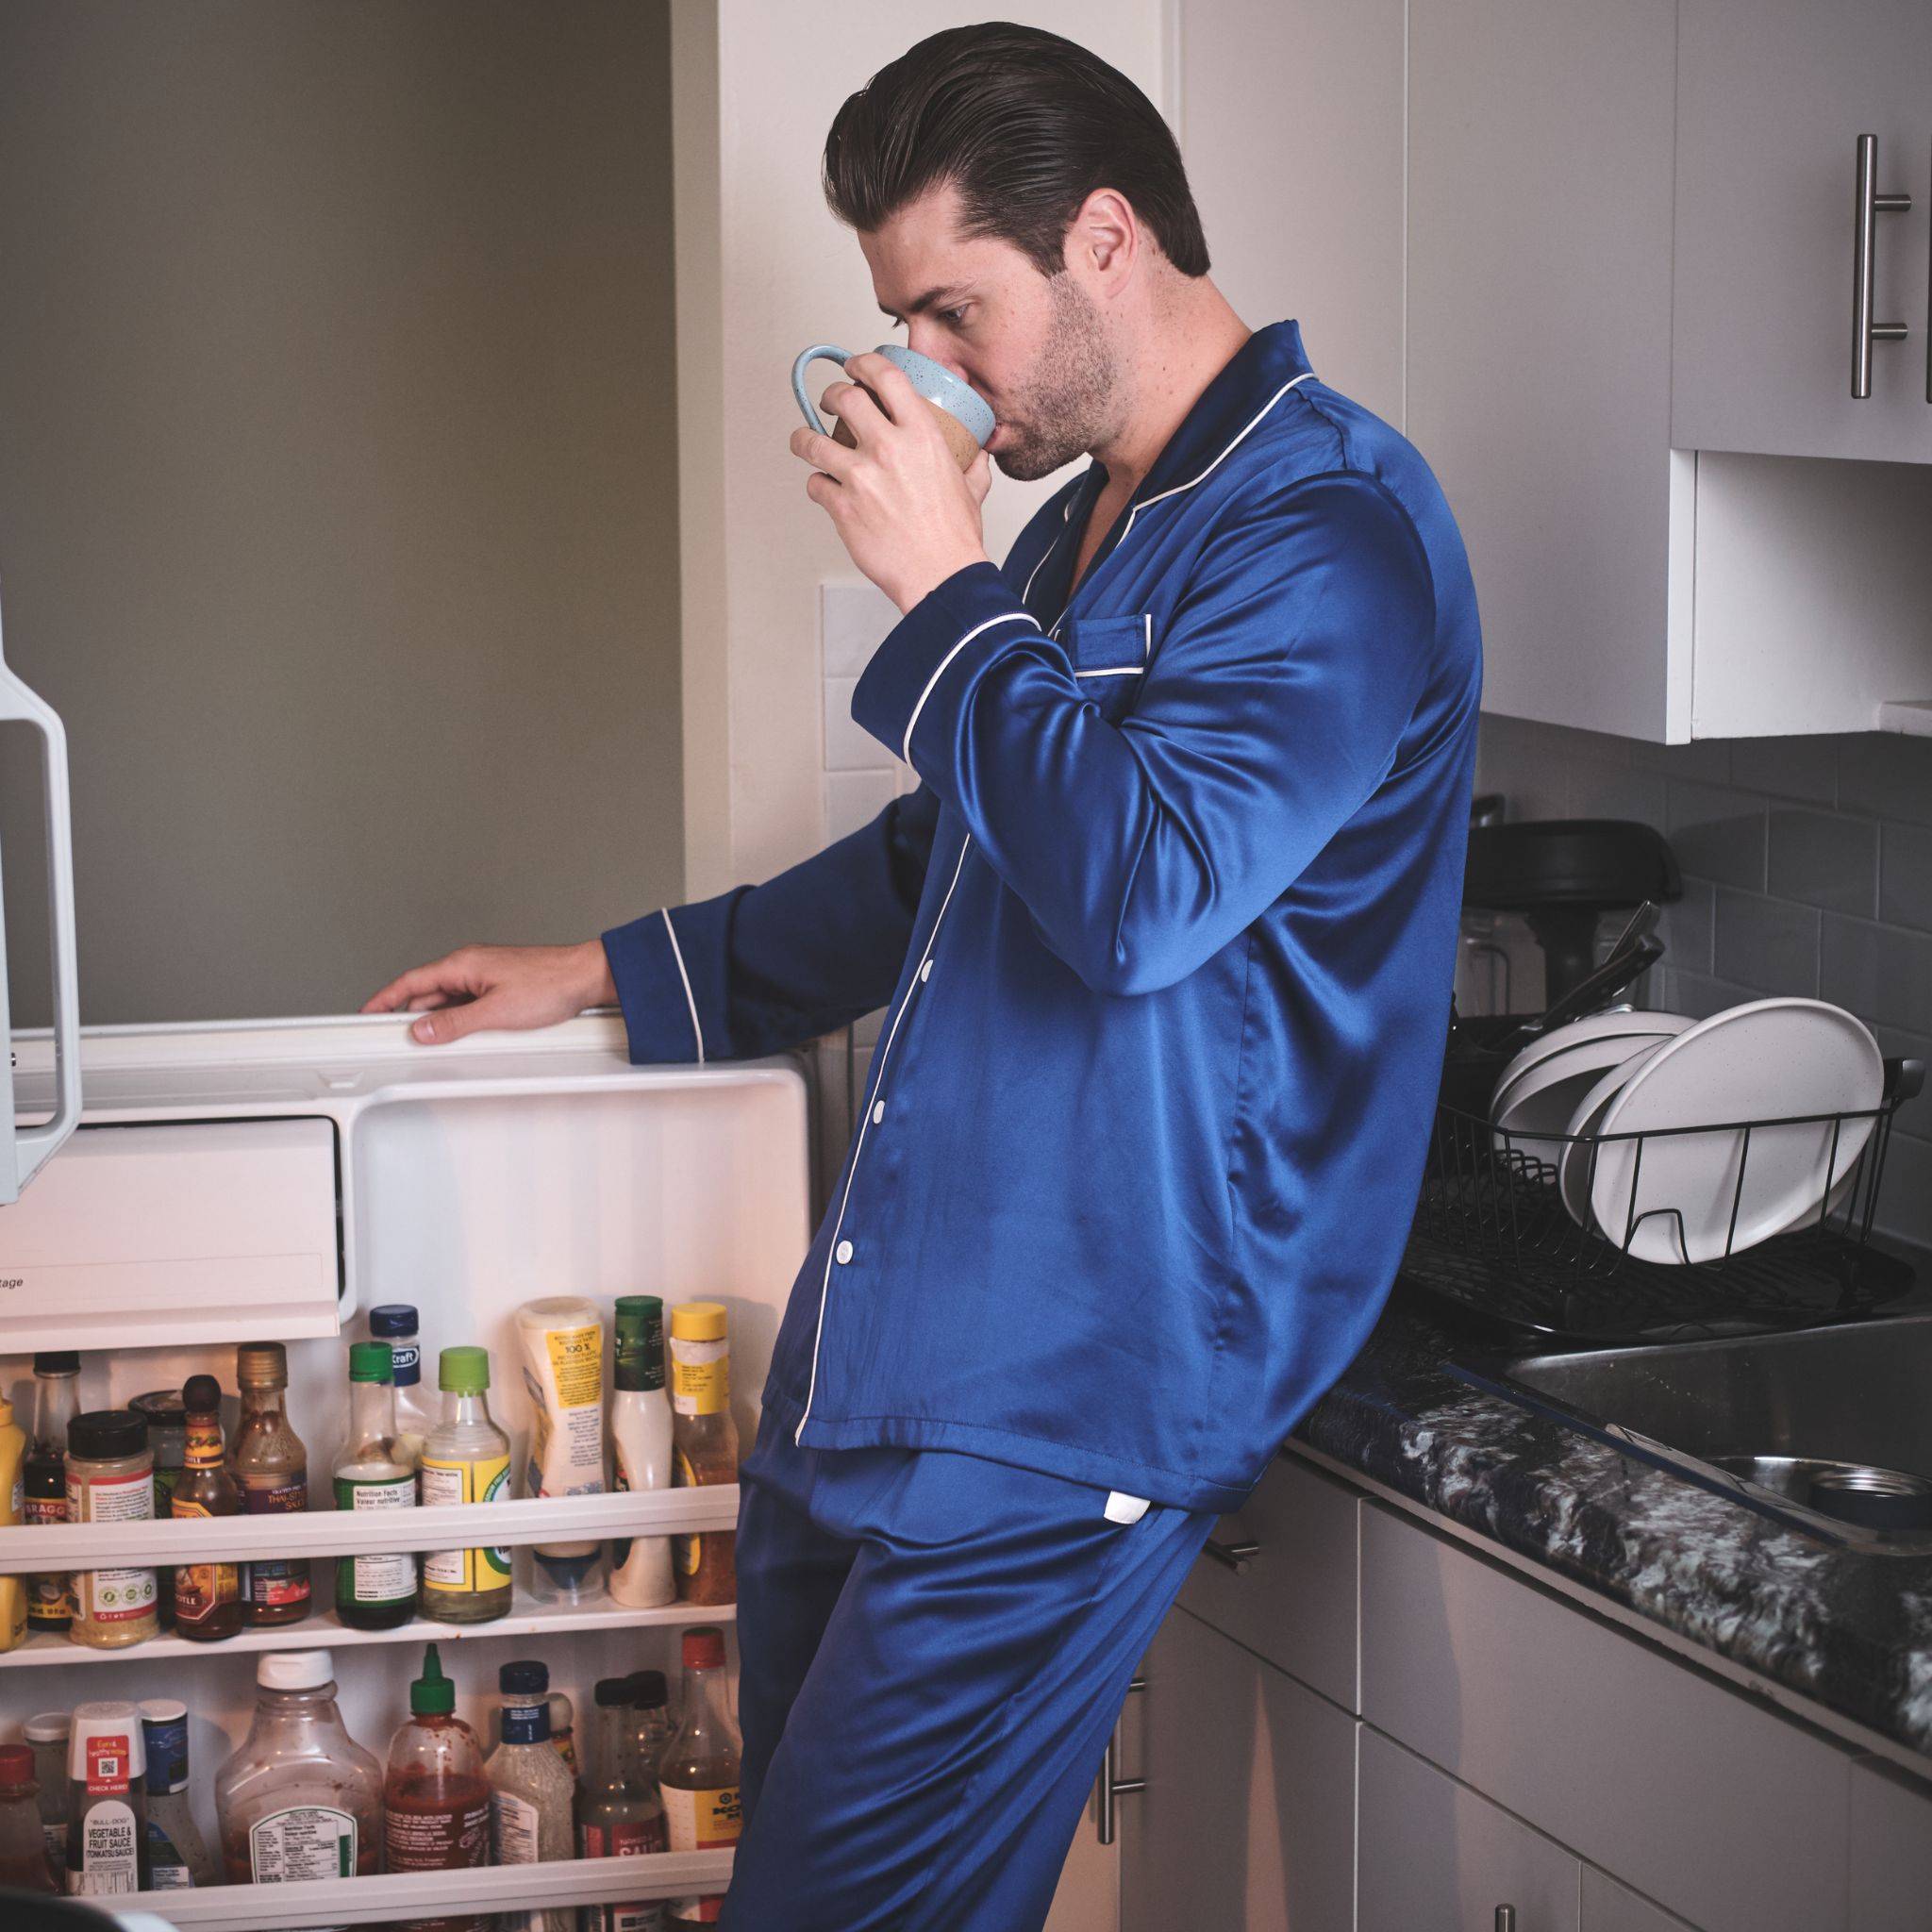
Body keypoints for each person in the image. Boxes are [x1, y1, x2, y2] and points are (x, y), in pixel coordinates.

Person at [365, 23, 1481, 1929]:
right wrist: (606, 970)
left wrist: (940, 591)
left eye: (955, 315)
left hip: (1074, 1390)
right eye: (906, 326)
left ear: (1106, 237)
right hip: (888, 1357)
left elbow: (1142, 892)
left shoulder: (1328, 533)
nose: (931, 377)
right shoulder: (1074, 533)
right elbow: (940, 862)